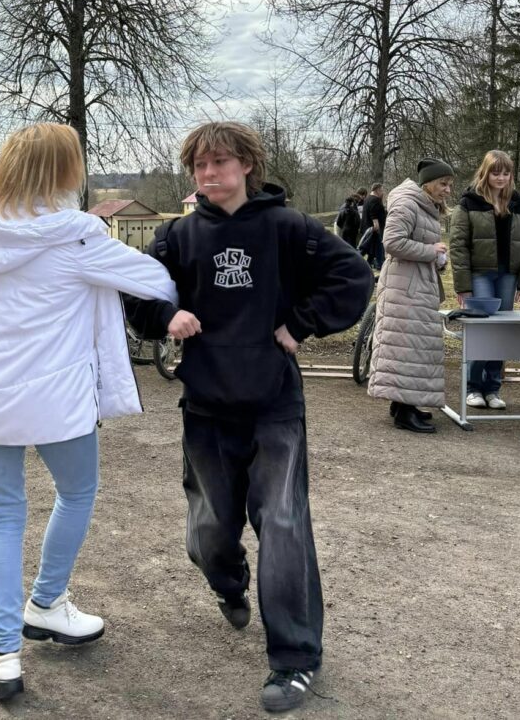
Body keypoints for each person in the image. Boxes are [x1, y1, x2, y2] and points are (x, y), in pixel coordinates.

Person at [0, 123, 177, 702]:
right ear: (66, 172)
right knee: (77, 493)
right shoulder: (78, 238)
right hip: (55, 401)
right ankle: (47, 603)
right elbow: (155, 281)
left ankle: (3, 653)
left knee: (1, 512)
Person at [125, 121, 372, 714]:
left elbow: (355, 276)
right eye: (200, 166)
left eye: (221, 163)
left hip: (273, 403)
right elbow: (135, 294)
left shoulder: (288, 229)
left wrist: (301, 323)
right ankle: (227, 581)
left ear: (246, 166)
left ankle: (295, 660)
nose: (210, 174)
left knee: (283, 523)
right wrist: (167, 315)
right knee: (209, 531)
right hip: (206, 404)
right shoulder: (178, 237)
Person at [367, 158, 454, 434]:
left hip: (414, 285)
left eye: (449, 184)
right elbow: (392, 242)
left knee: (411, 348)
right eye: (443, 183)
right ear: (427, 183)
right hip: (405, 289)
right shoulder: (407, 203)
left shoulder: (424, 205)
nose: (447, 189)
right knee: (407, 346)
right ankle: (404, 411)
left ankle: (404, 403)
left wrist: (439, 258)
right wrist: (431, 252)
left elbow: (419, 242)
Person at [449, 151, 520, 410]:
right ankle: (473, 387)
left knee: (502, 330)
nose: (501, 177)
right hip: (479, 274)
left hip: (508, 274)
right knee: (483, 329)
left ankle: (493, 388)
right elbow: (458, 246)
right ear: (485, 172)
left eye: (506, 172)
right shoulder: (469, 202)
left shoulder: (518, 204)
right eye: (496, 172)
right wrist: (463, 285)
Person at [360, 183, 386, 269]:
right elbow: (373, 214)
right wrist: (376, 226)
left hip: (367, 228)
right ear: (377, 190)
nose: (382, 192)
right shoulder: (375, 200)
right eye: (381, 190)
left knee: (371, 251)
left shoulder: (367, 199)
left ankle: (368, 265)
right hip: (374, 230)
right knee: (377, 249)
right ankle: (381, 265)